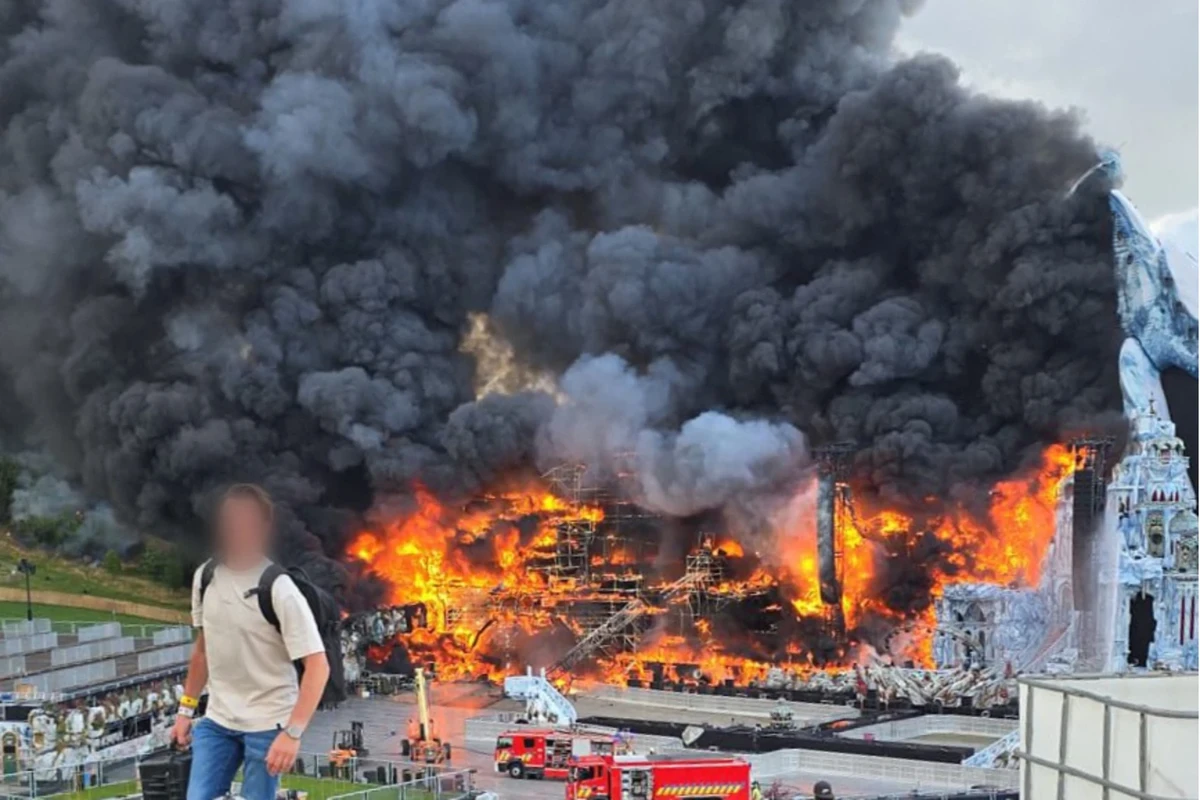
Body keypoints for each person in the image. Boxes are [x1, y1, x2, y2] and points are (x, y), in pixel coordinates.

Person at [171, 484, 331, 800]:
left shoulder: (278, 588)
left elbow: (318, 664)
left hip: (268, 724)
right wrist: (185, 712)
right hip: (218, 720)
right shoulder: (205, 577)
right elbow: (203, 650)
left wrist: (292, 733)